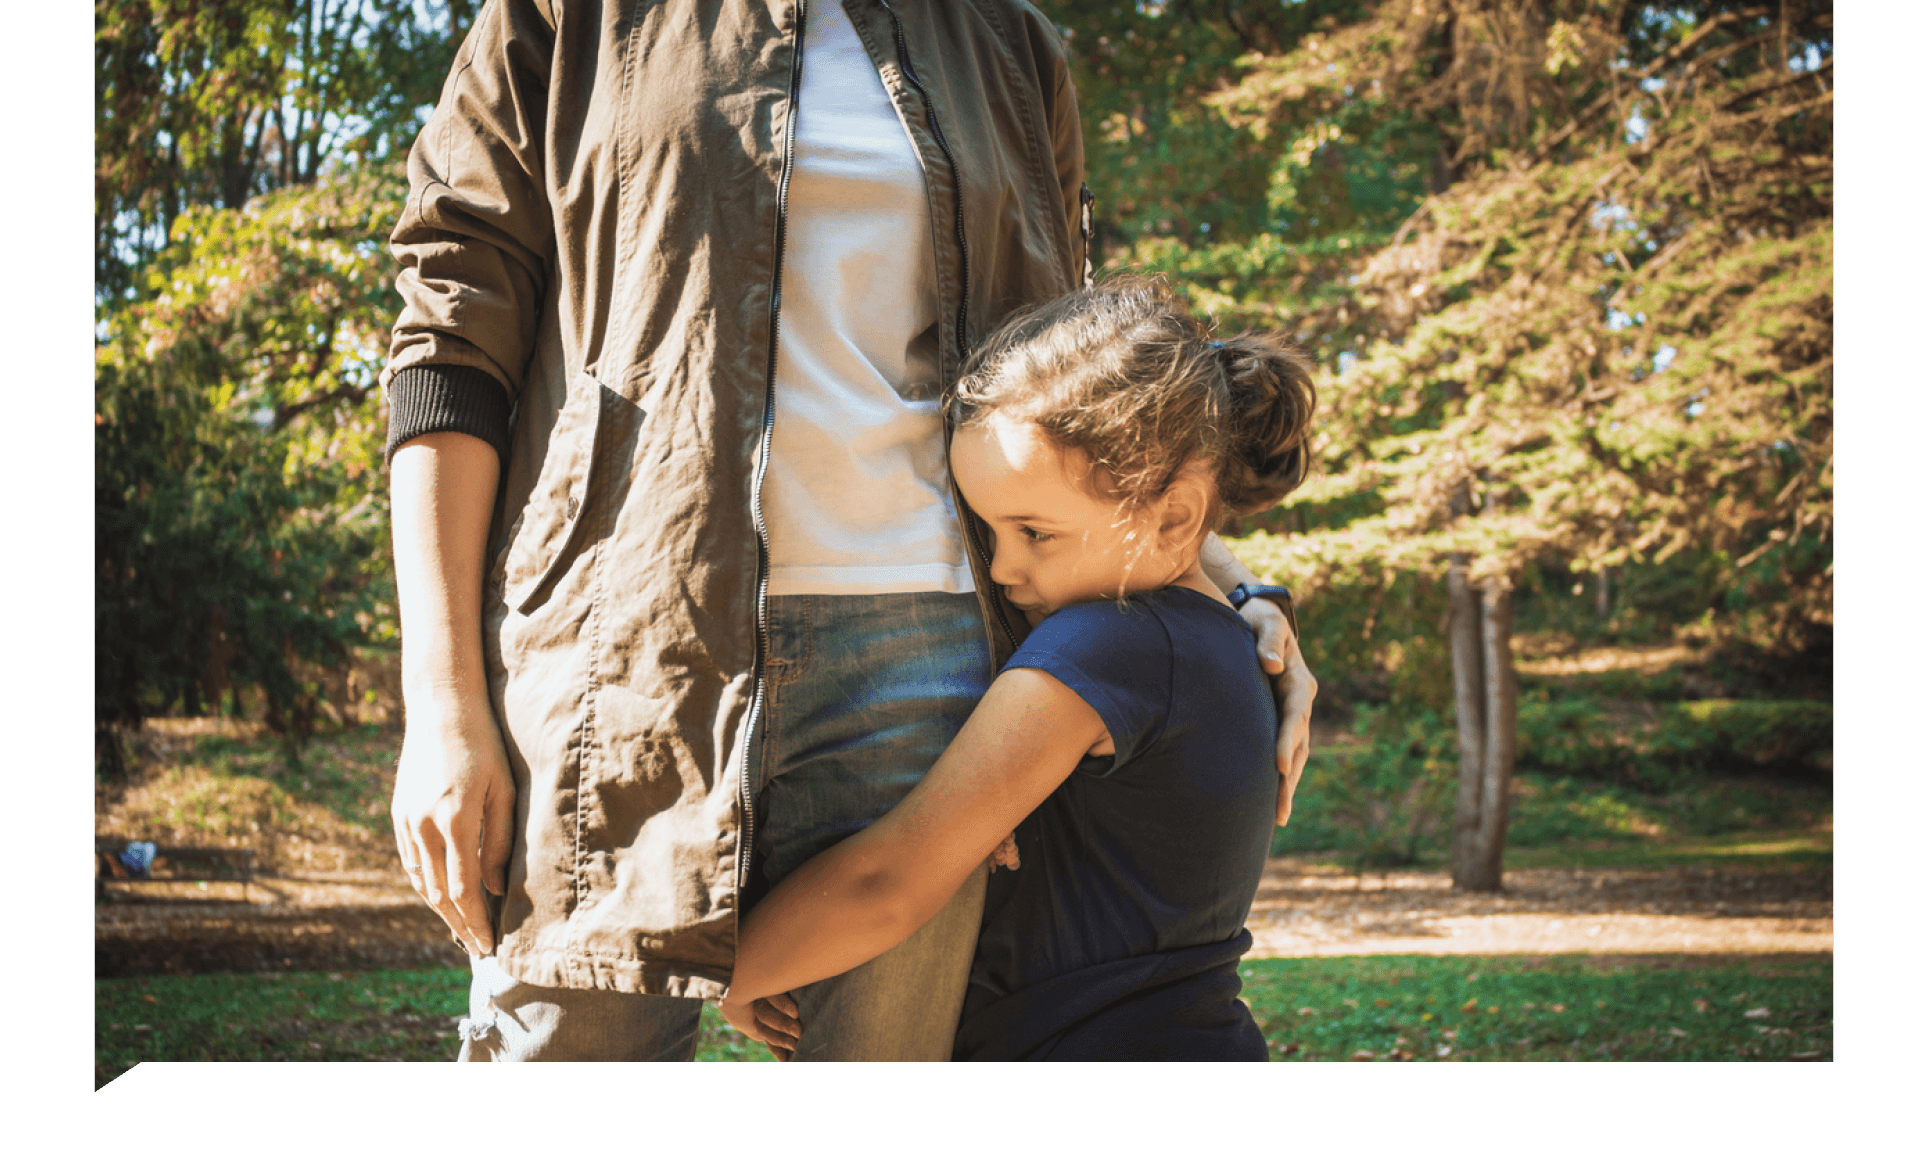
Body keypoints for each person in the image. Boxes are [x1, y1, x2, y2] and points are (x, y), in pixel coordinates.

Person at [384, 0, 1317, 1062]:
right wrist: (442, 703)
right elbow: (449, 342)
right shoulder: (565, 18)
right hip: (623, 652)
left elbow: (1083, 406)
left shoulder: (1007, 39)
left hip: (930, 663)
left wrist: (1221, 587)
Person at [720, 277, 1314, 1060]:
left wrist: (727, 975)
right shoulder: (1220, 646)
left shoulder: (1111, 646)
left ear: (1173, 519)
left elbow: (888, 884)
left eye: (1036, 532)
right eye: (990, 530)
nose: (1003, 570)